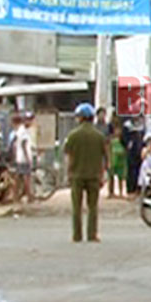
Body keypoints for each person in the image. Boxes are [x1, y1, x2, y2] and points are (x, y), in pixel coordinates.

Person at [64, 102, 108, 243]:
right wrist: (103, 174)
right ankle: (92, 234)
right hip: (94, 175)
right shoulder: (99, 136)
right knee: (93, 207)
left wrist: (68, 173)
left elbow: (68, 157)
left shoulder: (73, 135)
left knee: (77, 207)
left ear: (81, 118)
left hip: (76, 175)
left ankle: (77, 235)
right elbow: (105, 157)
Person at [11, 113, 36, 202]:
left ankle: (16, 196)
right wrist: (28, 158)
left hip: (19, 157)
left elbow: (15, 144)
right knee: (26, 178)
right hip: (23, 158)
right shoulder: (23, 131)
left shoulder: (20, 130)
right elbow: (23, 145)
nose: (31, 122)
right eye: (29, 120)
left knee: (18, 178)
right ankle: (29, 196)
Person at [124, 119, 144, 198]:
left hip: (139, 152)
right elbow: (123, 138)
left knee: (139, 171)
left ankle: (137, 190)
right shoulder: (127, 125)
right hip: (131, 152)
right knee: (131, 172)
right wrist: (128, 145)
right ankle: (130, 190)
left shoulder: (141, 125)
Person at [108, 121, 127, 199]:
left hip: (121, 160)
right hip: (113, 159)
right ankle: (110, 192)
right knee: (111, 177)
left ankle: (121, 192)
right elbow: (109, 149)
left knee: (120, 178)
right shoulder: (111, 139)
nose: (118, 131)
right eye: (116, 130)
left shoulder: (123, 140)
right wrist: (109, 160)